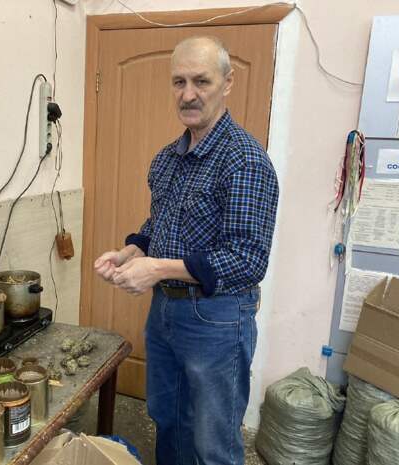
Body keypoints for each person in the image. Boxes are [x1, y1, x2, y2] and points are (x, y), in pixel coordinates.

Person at [94, 36, 279, 465]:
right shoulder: (167, 159)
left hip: (217, 318)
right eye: (179, 82)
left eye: (201, 81)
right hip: (165, 312)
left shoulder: (244, 160)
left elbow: (248, 259)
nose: (188, 94)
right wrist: (131, 250)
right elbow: (161, 224)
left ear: (227, 83)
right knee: (168, 420)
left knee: (213, 442)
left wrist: (158, 268)